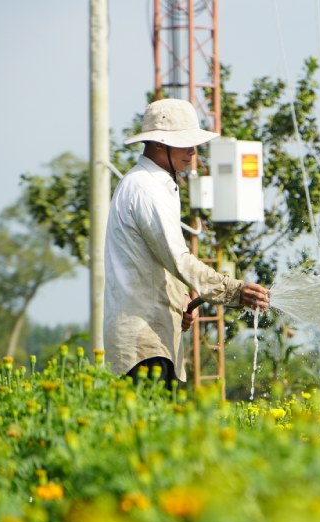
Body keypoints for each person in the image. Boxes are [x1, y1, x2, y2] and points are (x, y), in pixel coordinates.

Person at [104, 98, 270, 389]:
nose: (193, 152)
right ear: (158, 144)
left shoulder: (156, 183)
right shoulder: (146, 188)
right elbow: (177, 257)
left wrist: (179, 300)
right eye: (184, 144)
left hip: (153, 337)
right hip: (142, 344)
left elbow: (153, 261)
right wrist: (233, 291)